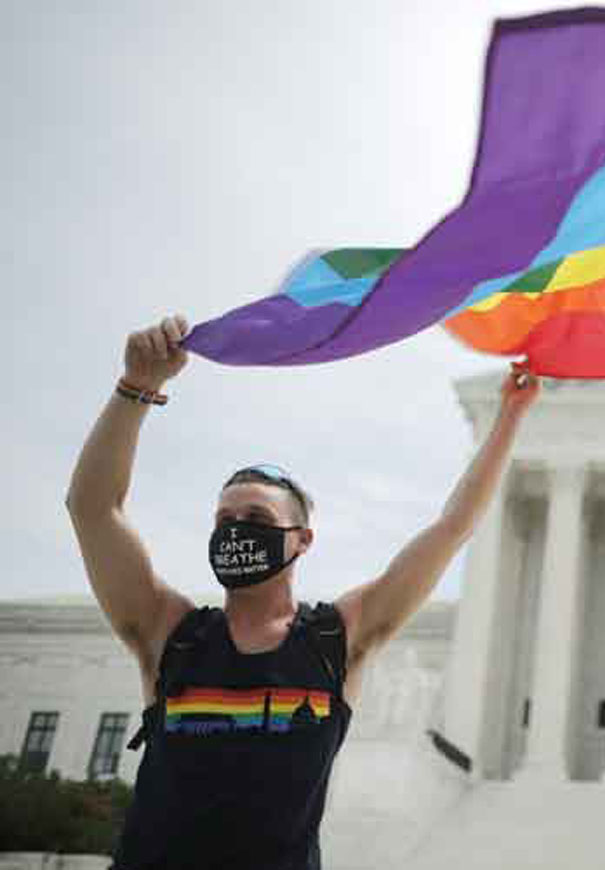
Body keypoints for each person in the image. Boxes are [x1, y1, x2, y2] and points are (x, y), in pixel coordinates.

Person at [64, 314, 539, 869]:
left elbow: (451, 527)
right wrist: (137, 387)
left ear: (302, 539)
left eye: (256, 516)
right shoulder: (170, 633)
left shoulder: (336, 639)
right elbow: (93, 510)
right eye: (225, 518)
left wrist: (508, 417)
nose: (237, 527)